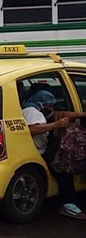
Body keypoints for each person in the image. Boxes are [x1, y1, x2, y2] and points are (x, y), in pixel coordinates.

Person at [22, 90, 86, 219]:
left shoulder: (37, 110)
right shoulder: (31, 112)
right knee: (63, 168)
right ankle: (68, 204)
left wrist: (81, 114)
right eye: (49, 105)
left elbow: (58, 114)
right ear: (41, 103)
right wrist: (55, 125)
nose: (51, 108)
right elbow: (31, 129)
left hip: (41, 148)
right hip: (38, 151)